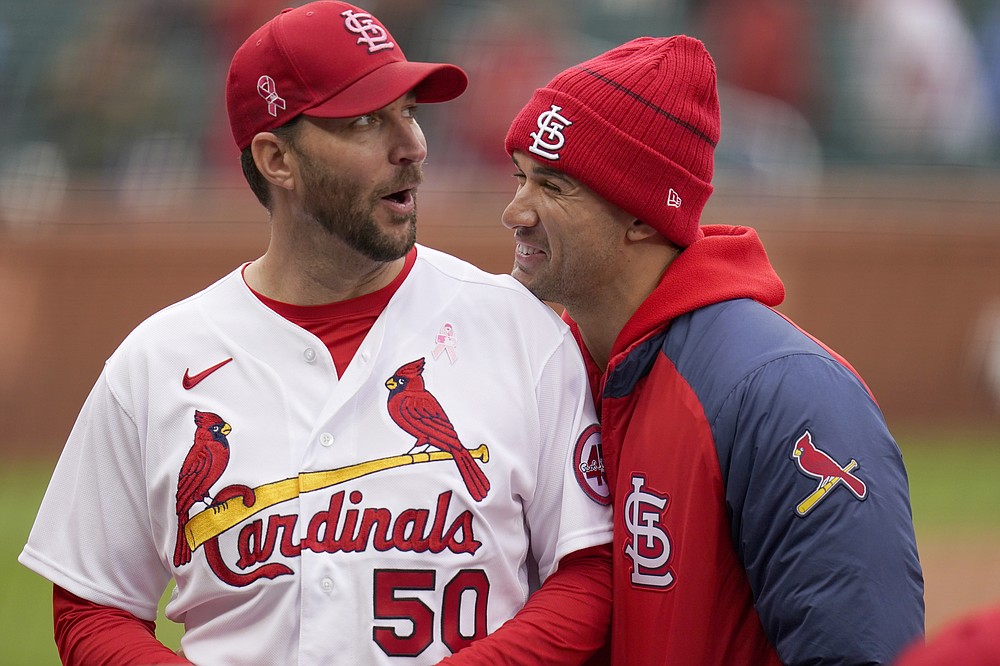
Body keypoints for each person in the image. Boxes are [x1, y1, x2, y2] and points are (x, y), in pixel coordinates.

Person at [18, 3, 613, 664]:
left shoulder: (524, 335)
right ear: (277, 158)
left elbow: (590, 574)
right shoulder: (156, 366)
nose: (412, 145)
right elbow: (92, 607)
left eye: (409, 110)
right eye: (366, 120)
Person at [501, 35, 924, 664]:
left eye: (553, 186)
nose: (516, 211)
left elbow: (859, 647)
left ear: (644, 216)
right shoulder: (546, 367)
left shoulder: (786, 390)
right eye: (520, 178)